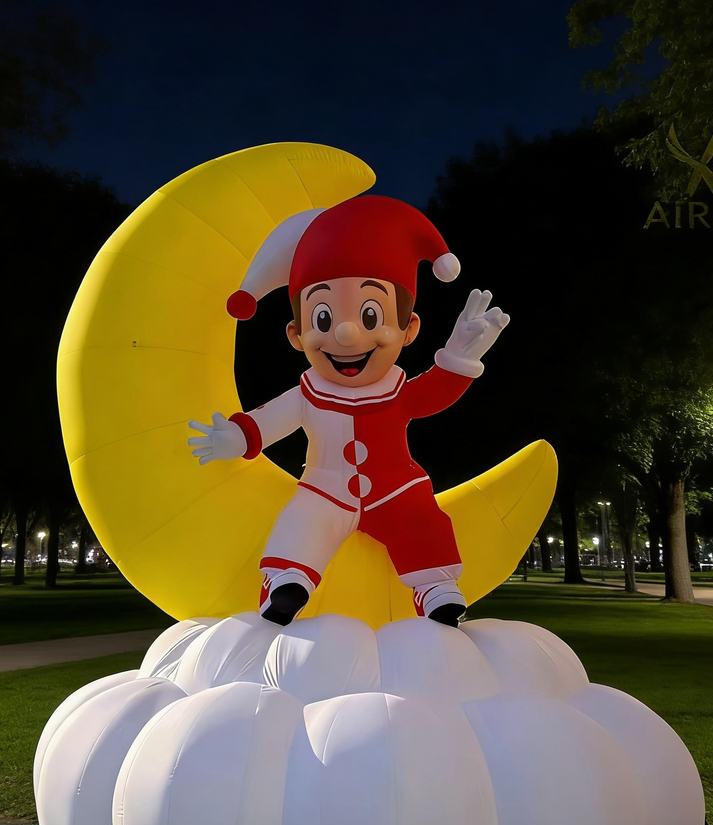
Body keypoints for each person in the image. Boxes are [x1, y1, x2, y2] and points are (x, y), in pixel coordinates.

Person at [189, 195, 509, 626]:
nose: (344, 332)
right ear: (296, 335)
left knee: (422, 520)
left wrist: (459, 357)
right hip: (324, 488)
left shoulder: (394, 388)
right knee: (301, 523)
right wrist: (237, 436)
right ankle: (287, 583)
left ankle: (435, 588)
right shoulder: (309, 391)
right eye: (322, 319)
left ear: (408, 329)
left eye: (371, 315)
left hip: (396, 487)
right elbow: (269, 420)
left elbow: (432, 395)